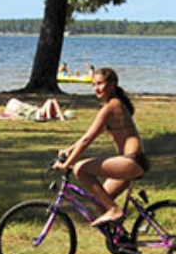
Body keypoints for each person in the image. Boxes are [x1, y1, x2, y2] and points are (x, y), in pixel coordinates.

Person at [53, 68, 147, 231]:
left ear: (112, 85)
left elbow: (87, 140)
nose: (96, 88)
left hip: (132, 161)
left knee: (81, 169)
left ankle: (114, 210)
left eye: (100, 84)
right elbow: (89, 135)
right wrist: (69, 150)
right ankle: (125, 249)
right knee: (101, 201)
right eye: (94, 84)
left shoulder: (110, 108)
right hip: (131, 161)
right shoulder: (115, 104)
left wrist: (67, 164)